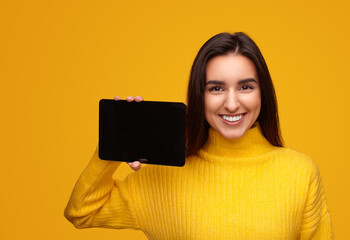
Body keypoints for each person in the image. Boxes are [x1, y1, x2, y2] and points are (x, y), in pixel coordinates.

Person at [64, 32, 334, 239]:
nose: (231, 104)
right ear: (199, 96)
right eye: (216, 88)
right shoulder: (161, 175)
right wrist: (117, 140)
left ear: (263, 92)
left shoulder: (299, 172)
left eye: (245, 87)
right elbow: (82, 212)